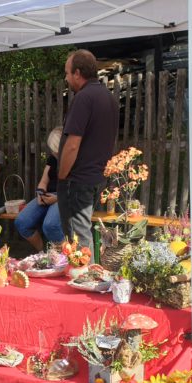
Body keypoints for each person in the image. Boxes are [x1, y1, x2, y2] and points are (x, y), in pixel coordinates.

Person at [56, 49, 119, 255]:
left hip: (78, 178)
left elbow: (73, 144)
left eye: (67, 73)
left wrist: (63, 175)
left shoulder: (83, 98)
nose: (66, 78)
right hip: (97, 176)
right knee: (85, 233)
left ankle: (85, 280)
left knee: (77, 238)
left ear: (77, 73)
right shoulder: (107, 97)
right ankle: (91, 276)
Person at [14, 127, 64, 251]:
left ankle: (66, 258)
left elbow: (75, 188)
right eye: (52, 149)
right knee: (21, 221)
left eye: (56, 149)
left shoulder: (74, 160)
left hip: (64, 197)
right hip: (47, 196)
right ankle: (43, 253)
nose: (54, 153)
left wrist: (58, 198)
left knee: (50, 224)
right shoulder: (52, 159)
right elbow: (43, 181)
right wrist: (40, 193)